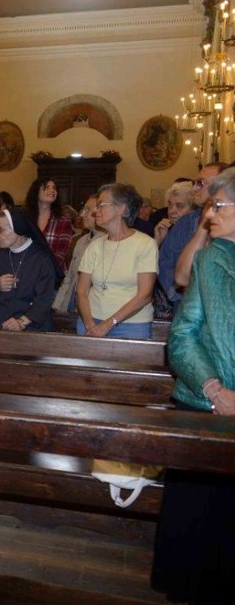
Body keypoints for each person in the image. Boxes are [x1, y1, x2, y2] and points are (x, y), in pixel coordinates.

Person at [152, 167, 235, 603]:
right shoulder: (209, 259)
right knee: (197, 529)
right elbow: (182, 335)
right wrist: (215, 389)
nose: (209, 214)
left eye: (218, 206)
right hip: (204, 401)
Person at [75, 183, 157, 339]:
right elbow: (81, 291)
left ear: (121, 208)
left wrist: (108, 324)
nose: (95, 211)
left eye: (101, 205)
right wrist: (90, 325)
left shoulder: (145, 244)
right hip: (91, 321)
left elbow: (145, 295)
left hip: (131, 325)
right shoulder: (94, 245)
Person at [0, 208, 61, 332]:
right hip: (2, 326)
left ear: (18, 229)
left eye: (1, 230)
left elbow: (44, 300)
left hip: (33, 328)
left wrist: (22, 322)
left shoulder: (41, 259)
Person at [162, 162, 227, 300]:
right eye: (195, 183)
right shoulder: (185, 223)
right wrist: (181, 296)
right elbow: (166, 263)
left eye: (200, 183)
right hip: (186, 304)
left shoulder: (229, 224)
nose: (194, 189)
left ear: (221, 185)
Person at [53, 195, 100, 313]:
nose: (82, 214)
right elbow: (69, 277)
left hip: (92, 308)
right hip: (71, 303)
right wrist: (58, 305)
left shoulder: (107, 242)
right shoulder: (81, 241)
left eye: (87, 210)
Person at [24, 178, 73, 272]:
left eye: (54, 188)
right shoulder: (26, 218)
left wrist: (39, 270)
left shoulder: (63, 219)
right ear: (36, 191)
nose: (52, 190)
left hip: (54, 272)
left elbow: (61, 253)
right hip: (27, 270)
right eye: (47, 187)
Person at [153, 180, 195, 247]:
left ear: (194, 210)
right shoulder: (167, 232)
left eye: (179, 206)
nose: (171, 211)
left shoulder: (198, 236)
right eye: (170, 205)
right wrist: (158, 240)